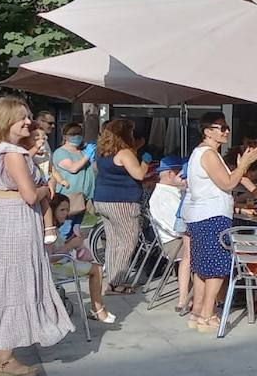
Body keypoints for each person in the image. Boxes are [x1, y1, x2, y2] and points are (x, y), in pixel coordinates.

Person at [0, 96, 74, 376]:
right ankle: (4, 360)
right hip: (15, 224)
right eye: (22, 117)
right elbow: (28, 195)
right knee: (15, 286)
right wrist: (46, 189)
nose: (28, 121)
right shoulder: (14, 153)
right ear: (5, 122)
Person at [183, 112, 257, 334]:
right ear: (207, 131)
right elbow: (228, 183)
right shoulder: (208, 154)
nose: (226, 131)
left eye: (226, 127)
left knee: (202, 268)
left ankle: (197, 313)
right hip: (212, 217)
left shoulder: (204, 153)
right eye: (221, 127)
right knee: (217, 268)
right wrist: (245, 163)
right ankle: (207, 315)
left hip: (201, 216)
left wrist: (241, 167)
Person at [93, 118, 152, 295]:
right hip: (122, 202)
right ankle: (115, 283)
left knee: (112, 242)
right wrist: (146, 160)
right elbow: (139, 174)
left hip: (102, 199)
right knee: (127, 241)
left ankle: (109, 278)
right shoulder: (124, 152)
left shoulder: (102, 151)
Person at [46, 193, 115, 323]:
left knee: (96, 268)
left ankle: (97, 308)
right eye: (62, 210)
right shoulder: (49, 231)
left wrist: (73, 241)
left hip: (60, 264)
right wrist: (71, 245)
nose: (66, 213)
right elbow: (49, 258)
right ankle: (97, 309)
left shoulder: (54, 228)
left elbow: (57, 249)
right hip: (55, 268)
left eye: (67, 210)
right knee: (97, 270)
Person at [148, 156, 192, 314]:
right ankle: (191, 297)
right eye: (181, 174)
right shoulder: (164, 196)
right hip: (173, 242)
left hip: (175, 238)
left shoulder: (170, 192)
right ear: (170, 174)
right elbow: (179, 227)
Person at [52, 123, 96, 239]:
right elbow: (73, 168)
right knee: (64, 229)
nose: (77, 136)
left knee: (74, 232)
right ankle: (59, 254)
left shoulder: (82, 152)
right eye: (73, 134)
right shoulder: (60, 152)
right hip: (68, 197)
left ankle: (68, 254)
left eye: (79, 133)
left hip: (82, 197)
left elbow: (93, 169)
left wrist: (92, 158)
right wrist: (87, 156)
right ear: (65, 136)